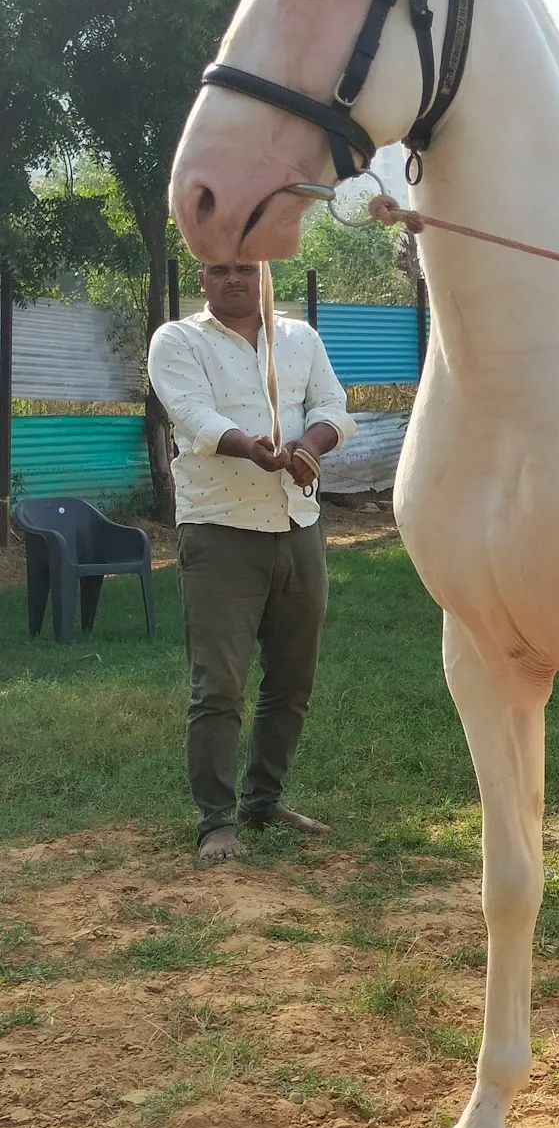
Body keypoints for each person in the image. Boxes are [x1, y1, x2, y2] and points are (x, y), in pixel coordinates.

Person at [147, 261, 356, 863]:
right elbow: (194, 417)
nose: (234, 279)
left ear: (264, 277)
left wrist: (309, 447)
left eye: (246, 269)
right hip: (219, 530)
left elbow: (334, 406)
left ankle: (264, 800)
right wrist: (253, 449)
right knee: (219, 684)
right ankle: (216, 821)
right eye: (220, 271)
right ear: (203, 278)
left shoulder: (300, 338)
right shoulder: (179, 340)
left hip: (299, 524)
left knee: (292, 680)